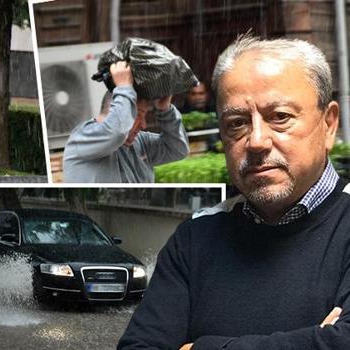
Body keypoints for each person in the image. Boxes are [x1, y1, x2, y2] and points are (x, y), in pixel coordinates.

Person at [118, 34, 350, 349]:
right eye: (237, 123)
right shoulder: (195, 238)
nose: (256, 141)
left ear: (329, 123)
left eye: (279, 117)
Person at [62, 61, 189, 183]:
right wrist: (124, 88)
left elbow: (178, 150)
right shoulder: (83, 137)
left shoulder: (140, 142)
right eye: (138, 115)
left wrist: (165, 111)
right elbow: (116, 133)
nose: (143, 125)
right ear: (116, 109)